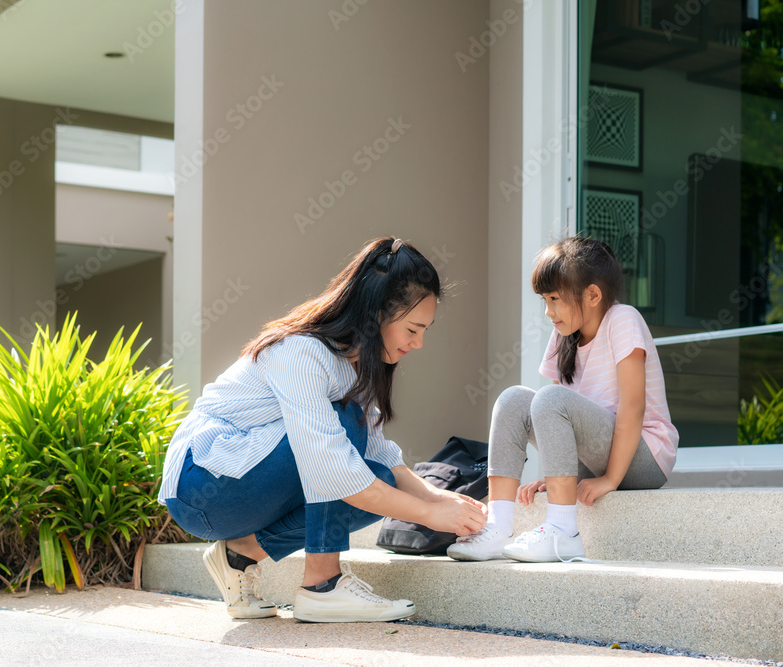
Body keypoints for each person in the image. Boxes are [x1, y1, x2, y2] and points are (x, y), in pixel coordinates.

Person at [158, 237, 487, 622]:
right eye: (413, 329)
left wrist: (440, 500)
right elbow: (331, 467)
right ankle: (322, 586)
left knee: (378, 476)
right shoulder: (302, 352)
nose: (418, 343)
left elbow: (384, 460)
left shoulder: (353, 367)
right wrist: (429, 516)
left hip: (242, 488)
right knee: (343, 437)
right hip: (201, 485)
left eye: (424, 331)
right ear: (377, 313)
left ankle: (241, 552)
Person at [447, 237, 677, 563]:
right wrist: (555, 477)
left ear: (593, 295)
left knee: (551, 398)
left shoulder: (622, 320)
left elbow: (633, 407)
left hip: (644, 458)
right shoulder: (563, 334)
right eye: (544, 299)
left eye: (554, 299)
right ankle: (498, 528)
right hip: (596, 454)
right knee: (513, 399)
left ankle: (563, 531)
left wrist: (610, 479)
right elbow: (550, 419)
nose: (547, 311)